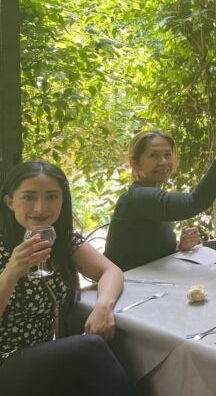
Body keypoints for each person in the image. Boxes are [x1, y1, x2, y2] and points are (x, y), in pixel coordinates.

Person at [0, 161, 134, 396]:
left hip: (43, 352)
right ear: (10, 201)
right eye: (29, 197)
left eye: (52, 196)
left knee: (115, 336)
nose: (41, 207)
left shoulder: (60, 239)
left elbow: (111, 272)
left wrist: (103, 307)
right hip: (6, 359)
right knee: (90, 348)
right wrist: (11, 272)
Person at [105, 127, 216, 271]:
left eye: (167, 154)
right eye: (153, 155)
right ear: (134, 163)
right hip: (124, 285)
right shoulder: (137, 197)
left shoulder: (151, 196)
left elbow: (146, 252)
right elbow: (196, 202)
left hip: (149, 280)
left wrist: (180, 246)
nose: (163, 162)